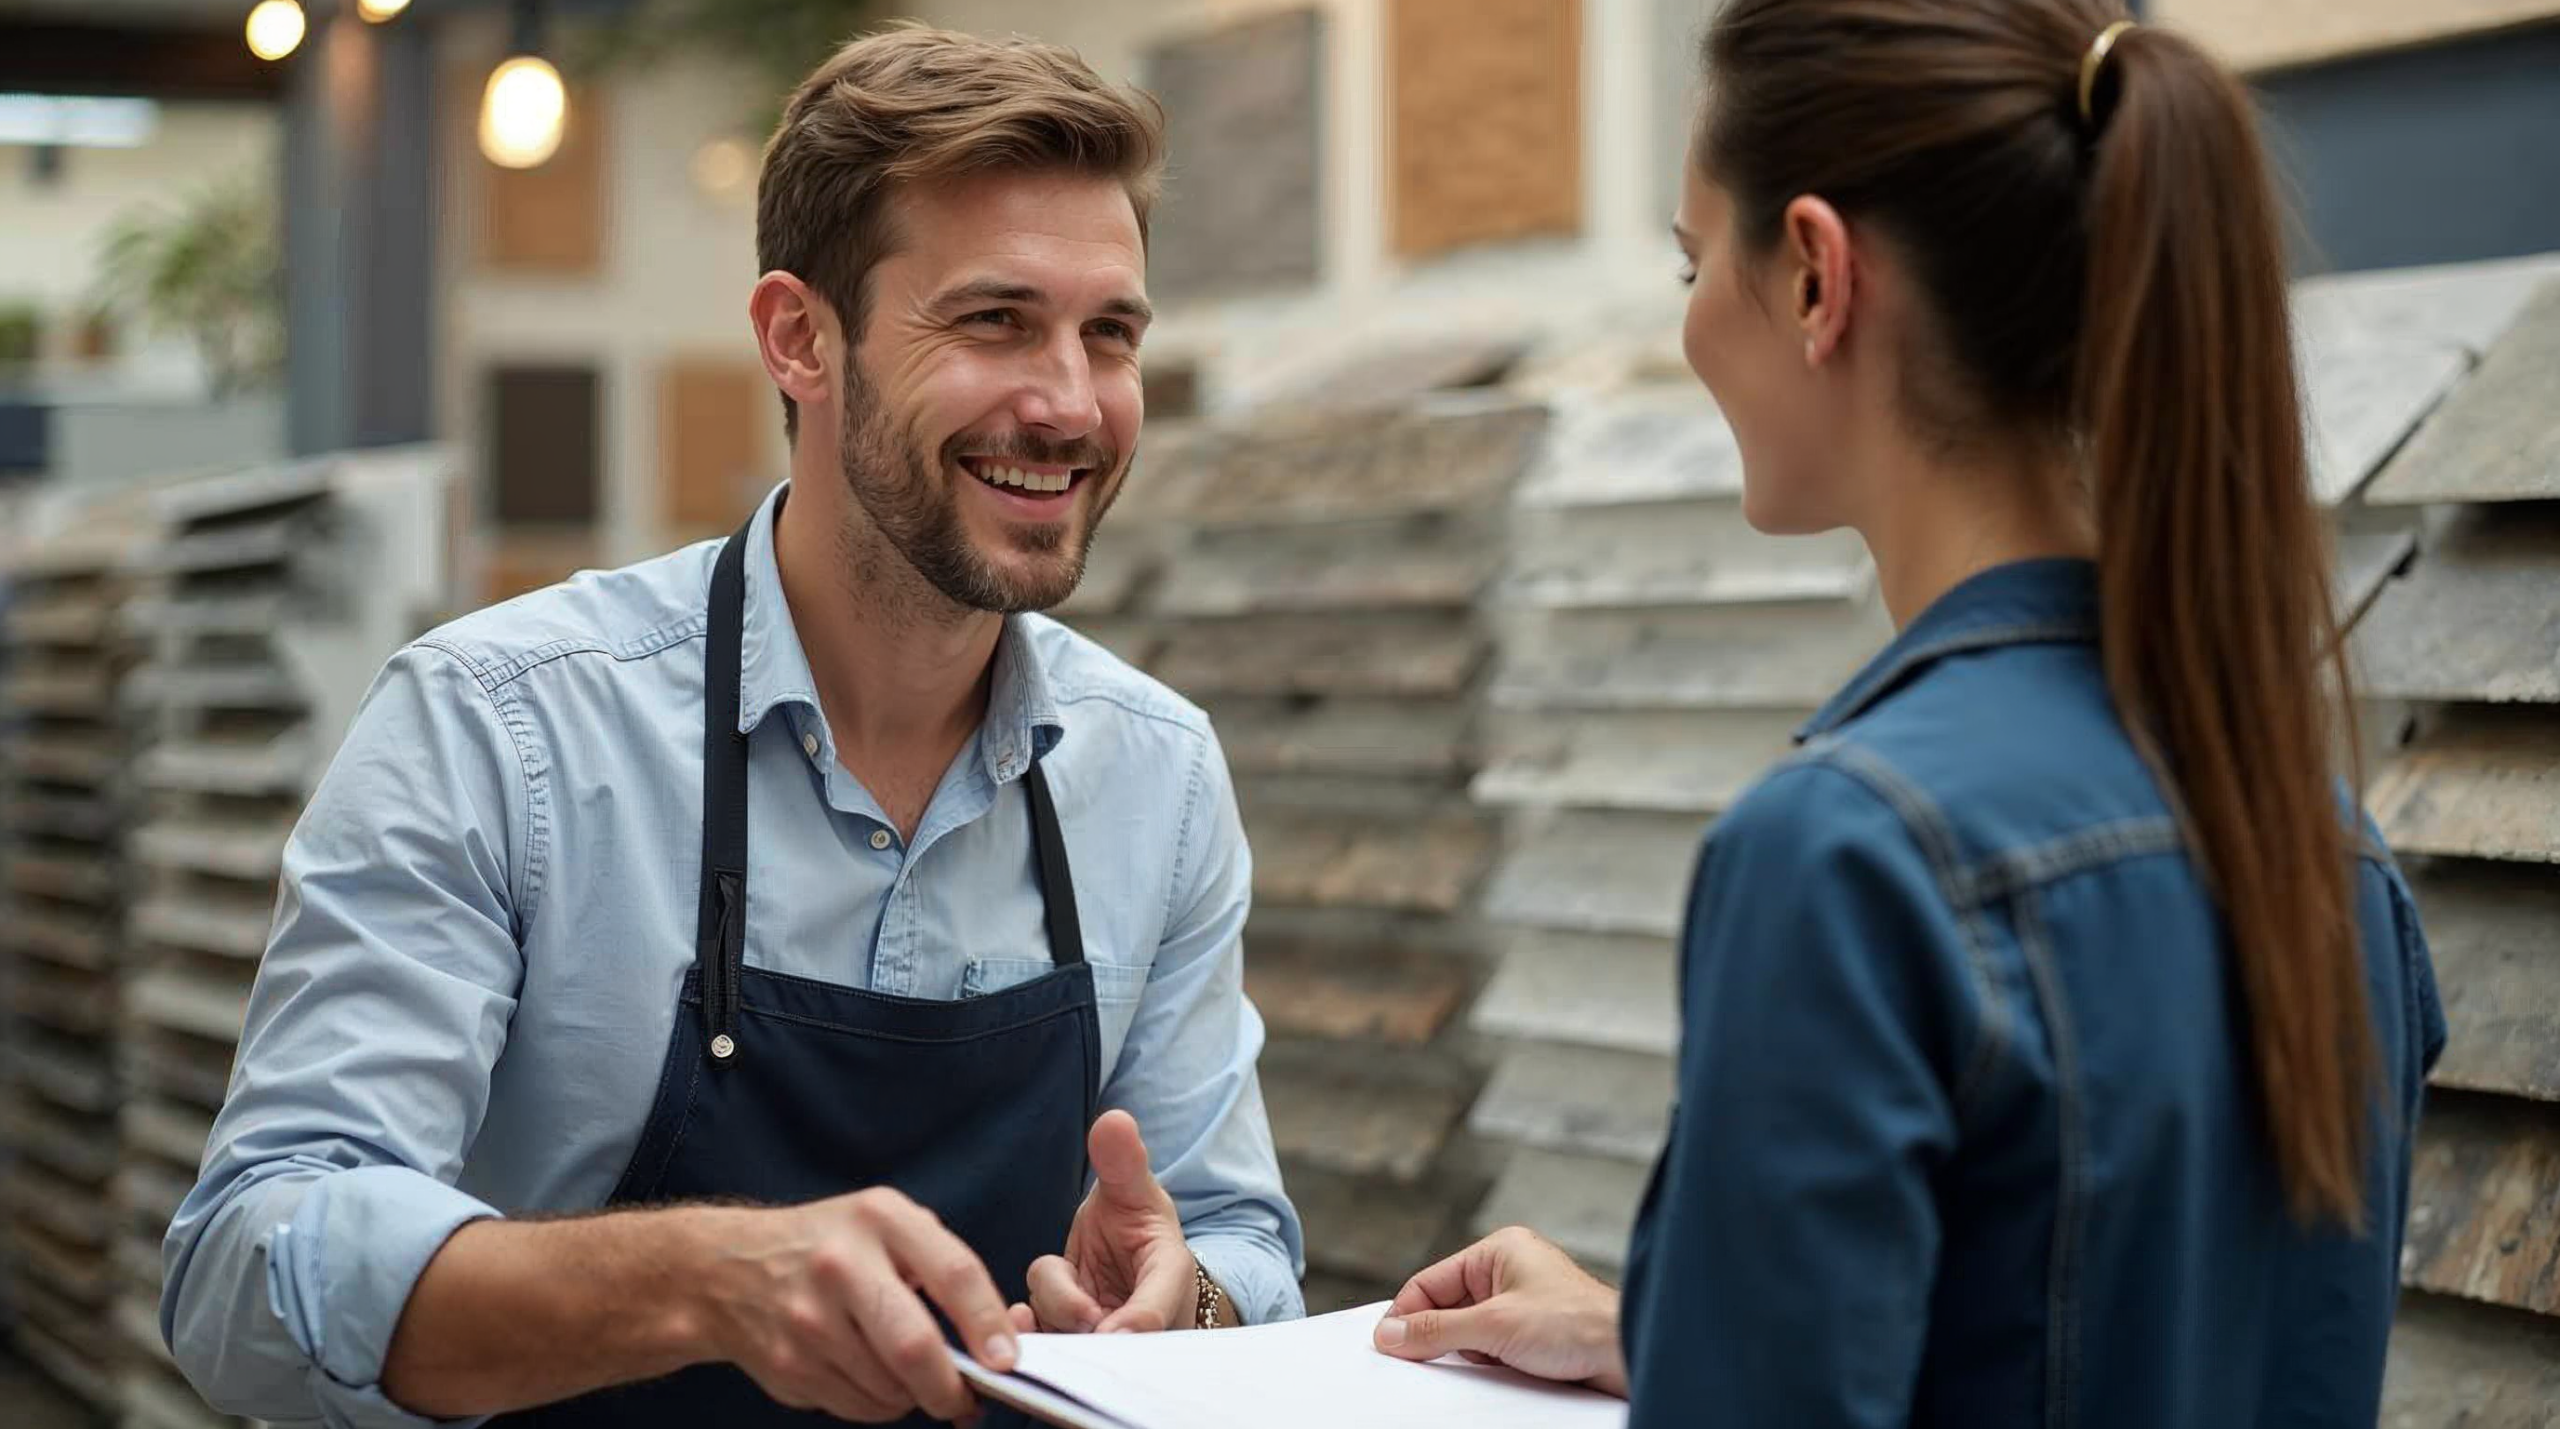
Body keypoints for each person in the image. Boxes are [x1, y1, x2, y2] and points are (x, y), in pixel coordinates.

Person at [162, 27, 1303, 1429]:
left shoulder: (1159, 776)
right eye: (996, 320)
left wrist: (1178, 1306)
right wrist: (700, 1281)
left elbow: (1243, 1242)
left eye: (1109, 333)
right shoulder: (503, 729)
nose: (1069, 402)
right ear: (798, 337)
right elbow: (246, 1266)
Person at [1373, 3, 2446, 1426]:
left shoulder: (1846, 857)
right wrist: (1678, 1324)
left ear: (1816, 276)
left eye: (1696, 264)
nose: (1691, 325)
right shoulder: (2333, 854)